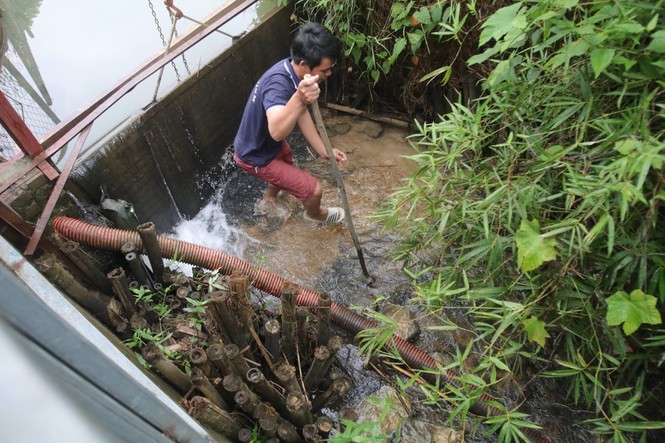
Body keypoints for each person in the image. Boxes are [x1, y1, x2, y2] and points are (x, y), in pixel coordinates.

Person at [233, 22, 348, 224]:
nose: (328, 74)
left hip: (263, 143)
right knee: (313, 190)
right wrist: (299, 99)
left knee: (286, 157)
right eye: (325, 70)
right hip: (254, 154)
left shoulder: (291, 70)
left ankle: (268, 200)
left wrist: (323, 150)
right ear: (304, 64)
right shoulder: (277, 85)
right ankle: (315, 215)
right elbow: (277, 131)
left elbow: (301, 113)